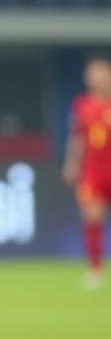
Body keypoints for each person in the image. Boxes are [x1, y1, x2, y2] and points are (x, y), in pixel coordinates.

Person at [63, 56, 111, 289]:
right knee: (92, 217)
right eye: (94, 74)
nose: (98, 78)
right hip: (93, 172)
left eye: (102, 73)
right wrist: (72, 164)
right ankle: (95, 269)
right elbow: (77, 138)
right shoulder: (82, 105)